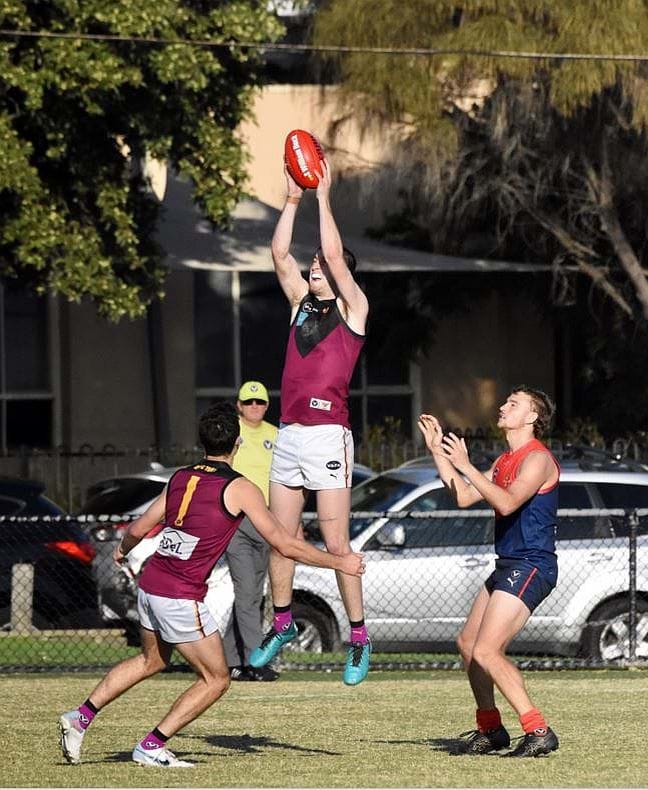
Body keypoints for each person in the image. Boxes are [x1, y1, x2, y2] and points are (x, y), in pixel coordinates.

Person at [57, 403, 365, 767]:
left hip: (151, 585)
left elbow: (139, 529)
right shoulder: (239, 488)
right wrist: (339, 560)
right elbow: (284, 544)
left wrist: (122, 552)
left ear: (201, 443)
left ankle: (80, 717)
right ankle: (152, 745)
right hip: (179, 596)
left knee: (150, 660)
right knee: (216, 680)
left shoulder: (180, 478)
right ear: (237, 443)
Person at [248, 160, 372, 684]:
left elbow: (338, 257)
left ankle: (359, 637)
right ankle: (280, 623)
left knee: (336, 544)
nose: (315, 265)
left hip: (328, 436)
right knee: (281, 537)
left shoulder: (354, 308)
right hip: (292, 435)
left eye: (322, 263)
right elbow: (278, 253)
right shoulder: (300, 303)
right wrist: (293, 198)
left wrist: (323, 197)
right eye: (314, 262)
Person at [416, 386, 561, 758]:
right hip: (509, 564)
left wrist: (465, 466)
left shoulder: (537, 459)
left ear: (532, 417)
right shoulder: (504, 461)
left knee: (488, 650)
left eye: (514, 404)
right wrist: (438, 452)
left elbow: (509, 502)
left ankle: (538, 730)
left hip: (532, 564)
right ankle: (491, 728)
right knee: (468, 645)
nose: (503, 406)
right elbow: (464, 496)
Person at [222, 381, 280, 681]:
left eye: (259, 403)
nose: (254, 407)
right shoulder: (232, 433)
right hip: (238, 520)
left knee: (253, 594)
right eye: (249, 402)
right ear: (239, 405)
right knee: (247, 593)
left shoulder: (276, 435)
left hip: (268, 520)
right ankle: (255, 661)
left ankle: (230, 658)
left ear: (267, 405)